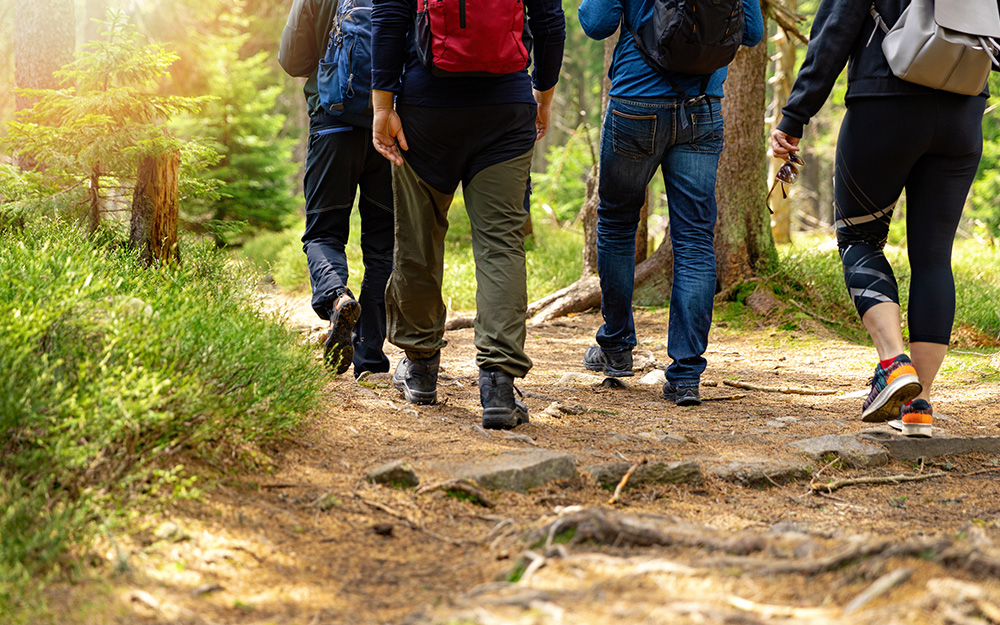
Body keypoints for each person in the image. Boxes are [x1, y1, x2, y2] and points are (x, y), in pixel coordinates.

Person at [770, 0, 990, 438]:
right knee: (933, 259)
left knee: (859, 240)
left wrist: (796, 115)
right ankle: (919, 404)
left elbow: (835, 30)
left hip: (884, 103)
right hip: (962, 111)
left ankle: (893, 363)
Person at [370, 0, 565, 429]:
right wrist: (543, 96)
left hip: (425, 111)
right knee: (501, 246)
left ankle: (420, 369)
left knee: (419, 240)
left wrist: (382, 107)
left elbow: (387, 19)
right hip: (506, 109)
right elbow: (550, 20)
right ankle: (497, 382)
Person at [577, 0, 764, 406]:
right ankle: (685, 375)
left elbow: (595, 23)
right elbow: (752, 32)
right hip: (703, 108)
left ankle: (616, 345)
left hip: (636, 105)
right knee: (695, 239)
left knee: (616, 223)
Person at [279, 0, 394, 378]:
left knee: (322, 234)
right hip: (390, 129)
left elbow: (293, 60)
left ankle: (336, 298)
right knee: (382, 247)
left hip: (333, 124)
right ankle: (371, 359)